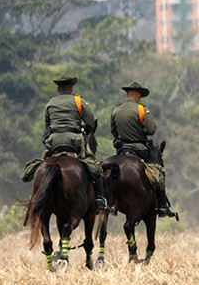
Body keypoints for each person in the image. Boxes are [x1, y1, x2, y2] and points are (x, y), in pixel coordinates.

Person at [35, 72, 107, 210]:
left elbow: (47, 126)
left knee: (42, 165)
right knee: (94, 166)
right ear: (71, 88)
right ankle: (99, 198)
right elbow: (90, 123)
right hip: (74, 141)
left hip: (53, 142)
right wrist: (84, 131)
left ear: (58, 89)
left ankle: (36, 196)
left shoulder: (50, 103)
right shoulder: (79, 101)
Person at [111, 82, 176, 217]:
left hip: (122, 149)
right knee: (157, 173)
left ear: (128, 95)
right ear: (139, 96)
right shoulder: (142, 110)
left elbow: (113, 130)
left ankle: (108, 201)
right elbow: (151, 130)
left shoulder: (116, 110)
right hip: (139, 149)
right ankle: (163, 206)